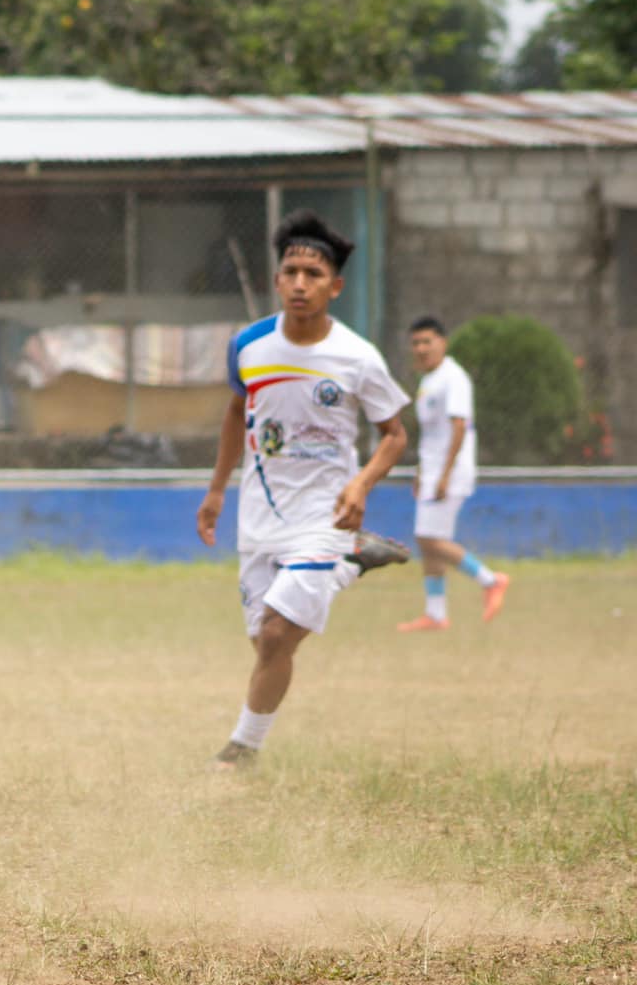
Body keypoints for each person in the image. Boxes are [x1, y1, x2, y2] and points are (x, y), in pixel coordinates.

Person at [196, 209, 410, 770]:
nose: (299, 283)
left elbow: (395, 435)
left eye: (313, 274)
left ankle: (240, 751)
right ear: (276, 280)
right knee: (269, 644)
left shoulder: (358, 357)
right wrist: (216, 491)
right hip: (260, 515)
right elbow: (236, 413)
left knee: (275, 637)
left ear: (335, 287)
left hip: (325, 516)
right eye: (290, 272)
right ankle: (351, 563)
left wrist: (361, 484)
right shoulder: (249, 346)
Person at [397, 316, 510, 631]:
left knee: (429, 538)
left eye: (427, 342)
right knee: (430, 540)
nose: (421, 349)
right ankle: (435, 614)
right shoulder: (428, 380)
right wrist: (422, 471)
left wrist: (445, 474)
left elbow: (458, 427)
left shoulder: (453, 378)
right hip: (433, 470)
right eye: (416, 343)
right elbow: (432, 434)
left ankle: (491, 580)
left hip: (451, 470)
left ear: (443, 343)